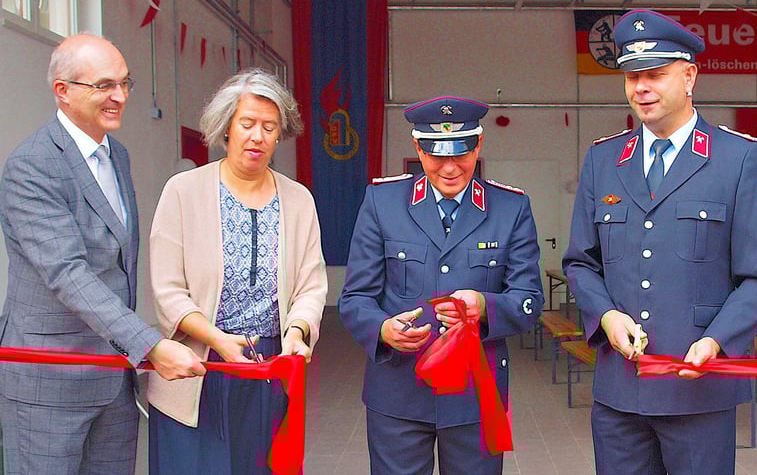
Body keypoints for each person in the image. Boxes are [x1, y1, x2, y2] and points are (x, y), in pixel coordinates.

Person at [562, 9, 757, 475]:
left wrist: (718, 341)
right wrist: (606, 315)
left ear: (689, 77)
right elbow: (581, 262)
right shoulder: (603, 160)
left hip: (698, 387)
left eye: (655, 75)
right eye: (632, 76)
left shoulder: (737, 158)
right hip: (621, 391)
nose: (641, 87)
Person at [0, 34, 205, 474]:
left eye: (125, 83)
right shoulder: (32, 166)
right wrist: (148, 344)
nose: (119, 96)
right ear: (63, 91)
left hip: (113, 380)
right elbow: (66, 273)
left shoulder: (118, 156)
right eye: (104, 85)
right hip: (49, 382)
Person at [339, 96, 543, 474]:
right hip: (398, 390)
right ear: (418, 147)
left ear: (478, 144)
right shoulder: (383, 203)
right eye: (436, 156)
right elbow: (355, 297)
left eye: (461, 154)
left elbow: (528, 299)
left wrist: (484, 307)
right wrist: (381, 329)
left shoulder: (510, 208)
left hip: (475, 393)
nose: (450, 168)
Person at [145, 68, 328, 474]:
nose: (257, 136)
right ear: (225, 127)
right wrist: (219, 341)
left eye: (269, 127)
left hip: (268, 367)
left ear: (280, 135)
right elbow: (168, 290)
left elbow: (311, 286)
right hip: (197, 367)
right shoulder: (182, 191)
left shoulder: (298, 200)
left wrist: (296, 333)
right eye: (247, 124)